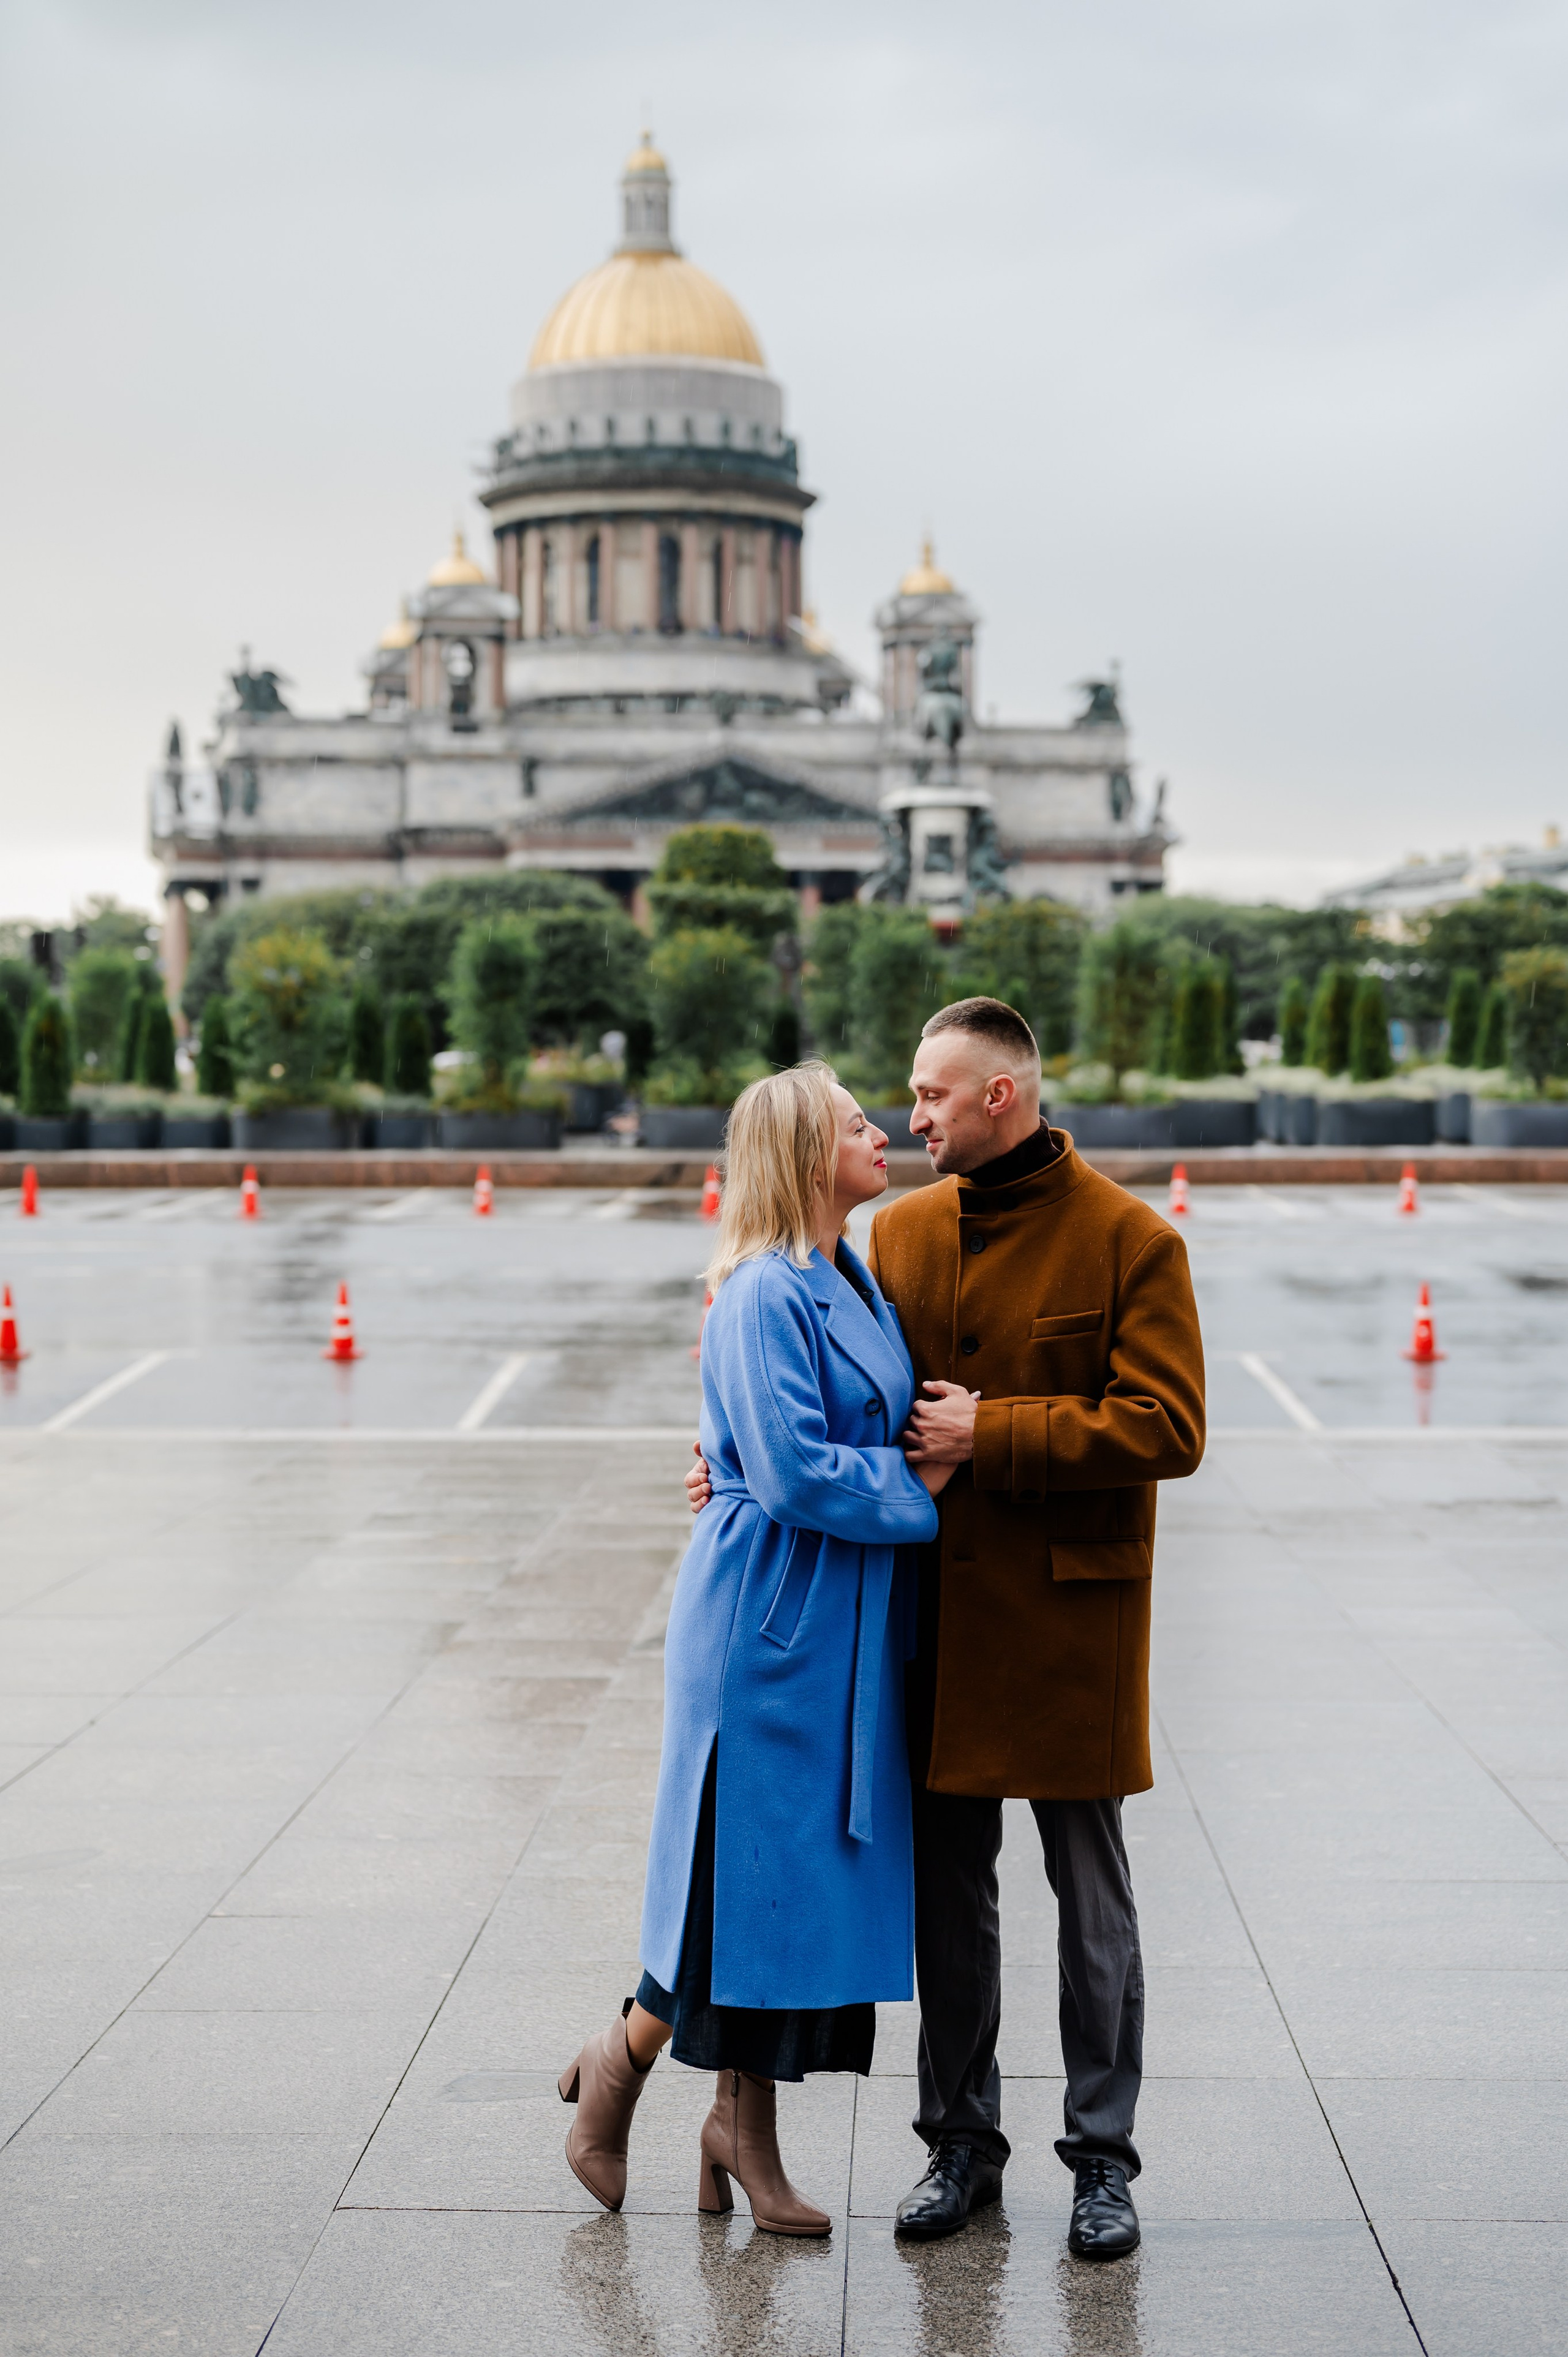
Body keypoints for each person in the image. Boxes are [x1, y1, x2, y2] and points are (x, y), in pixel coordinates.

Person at [688, 998, 1205, 2261]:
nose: (909, 1117)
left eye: (927, 1096)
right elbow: (816, 1393)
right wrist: (732, 1463)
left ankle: (1101, 2160)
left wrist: (999, 1429)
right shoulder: (896, 1235)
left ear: (1000, 1097)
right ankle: (957, 2142)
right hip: (931, 1623)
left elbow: (1169, 1428)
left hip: (1072, 1630)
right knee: (948, 1900)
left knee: (1091, 1905)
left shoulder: (1131, 1240)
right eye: (902, 1100)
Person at [559, 1061, 961, 2234]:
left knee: (773, 1898)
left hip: (834, 1613)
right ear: (803, 1154)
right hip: (767, 1627)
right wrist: (921, 1479)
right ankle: (624, 2068)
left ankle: (732, 2127)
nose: (880, 1134)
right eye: (854, 1125)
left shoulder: (851, 1274)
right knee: (730, 1889)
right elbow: (787, 1470)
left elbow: (770, 1443)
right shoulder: (758, 1292)